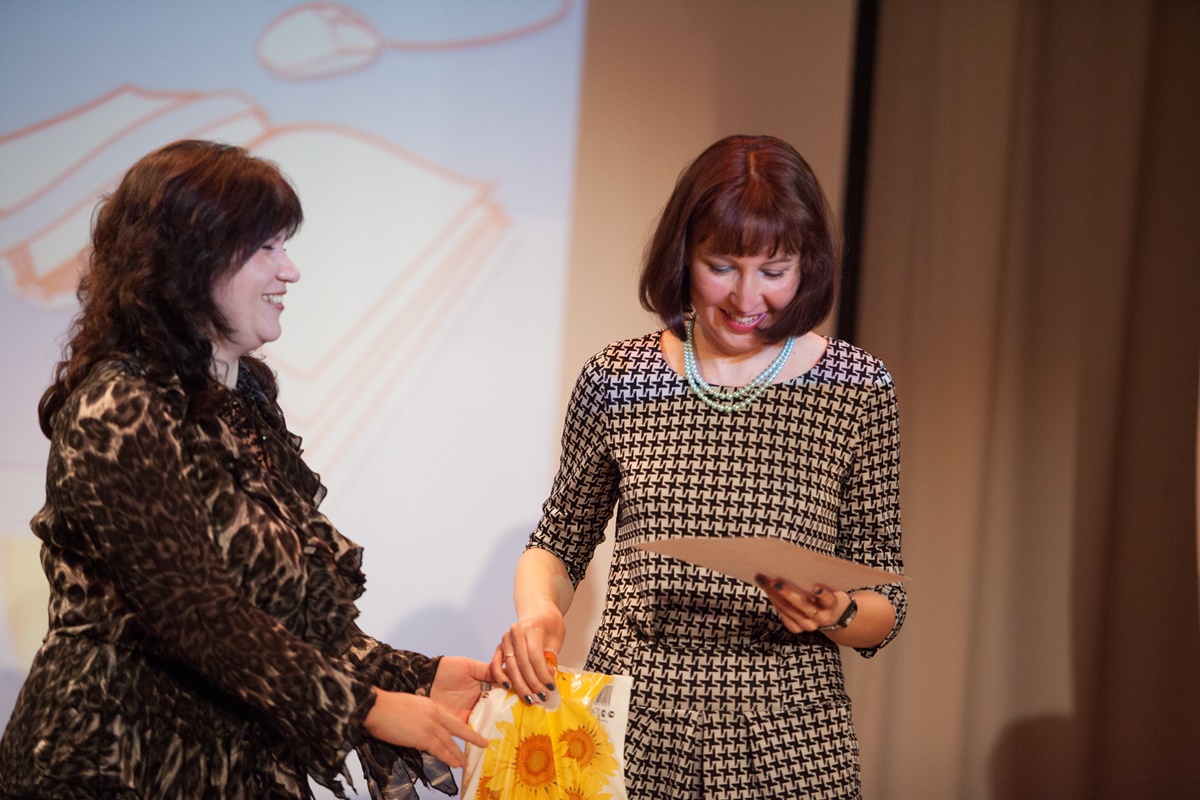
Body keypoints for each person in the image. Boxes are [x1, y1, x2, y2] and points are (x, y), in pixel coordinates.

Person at [0, 140, 488, 800]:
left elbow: (296, 620)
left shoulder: (243, 401)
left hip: (226, 770)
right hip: (119, 765)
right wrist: (365, 707)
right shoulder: (117, 406)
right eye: (265, 248)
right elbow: (199, 613)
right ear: (188, 260)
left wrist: (419, 680)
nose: (290, 270)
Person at [491, 134, 906, 798]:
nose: (747, 297)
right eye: (723, 266)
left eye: (774, 271)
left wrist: (837, 610)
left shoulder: (856, 388)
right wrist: (540, 612)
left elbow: (886, 598)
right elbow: (559, 542)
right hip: (633, 726)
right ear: (683, 254)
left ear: (808, 265)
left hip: (790, 735)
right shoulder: (619, 378)